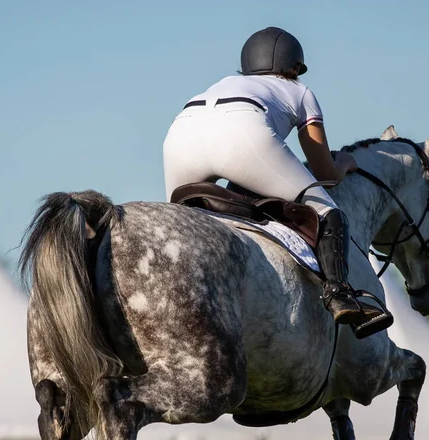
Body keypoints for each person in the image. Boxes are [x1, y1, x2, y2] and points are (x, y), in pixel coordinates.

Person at [163, 27, 392, 337]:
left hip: (181, 135)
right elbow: (325, 174)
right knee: (328, 212)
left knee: (175, 228)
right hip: (243, 134)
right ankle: (339, 294)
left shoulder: (220, 84)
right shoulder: (300, 91)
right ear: (294, 67)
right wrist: (347, 163)